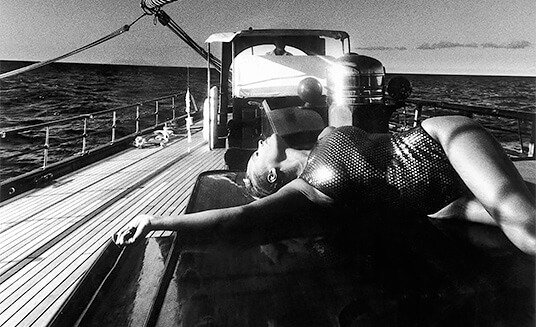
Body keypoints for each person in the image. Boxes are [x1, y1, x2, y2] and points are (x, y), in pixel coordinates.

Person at [113, 114, 536, 255]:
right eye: (254, 161)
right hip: (440, 199)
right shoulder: (308, 191)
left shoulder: (320, 136)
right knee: (522, 219)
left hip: (444, 140)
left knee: (524, 229)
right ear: (273, 177)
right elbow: (239, 220)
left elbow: (294, 116)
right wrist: (156, 222)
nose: (255, 148)